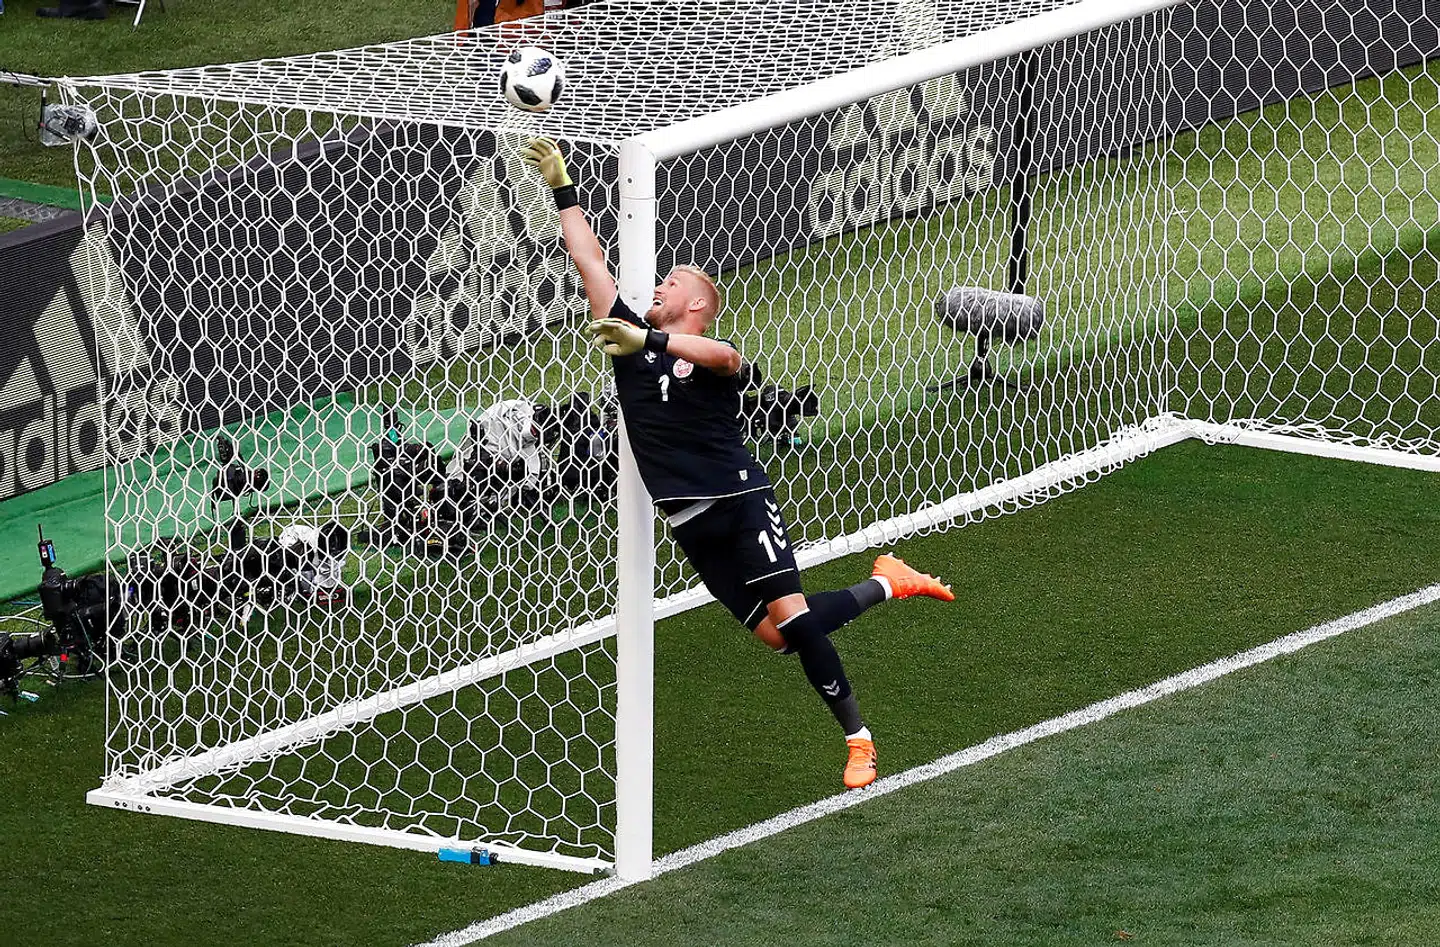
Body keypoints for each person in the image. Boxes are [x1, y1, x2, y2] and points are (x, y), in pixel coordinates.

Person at [519, 137, 955, 790]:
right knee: (782, 637)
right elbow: (588, 259)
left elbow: (725, 358)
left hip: (739, 498)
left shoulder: (700, 349)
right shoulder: (629, 344)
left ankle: (860, 739)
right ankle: (888, 580)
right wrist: (562, 185)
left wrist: (653, 337)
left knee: (797, 618)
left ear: (693, 305)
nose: (659, 288)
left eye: (671, 285)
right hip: (690, 522)